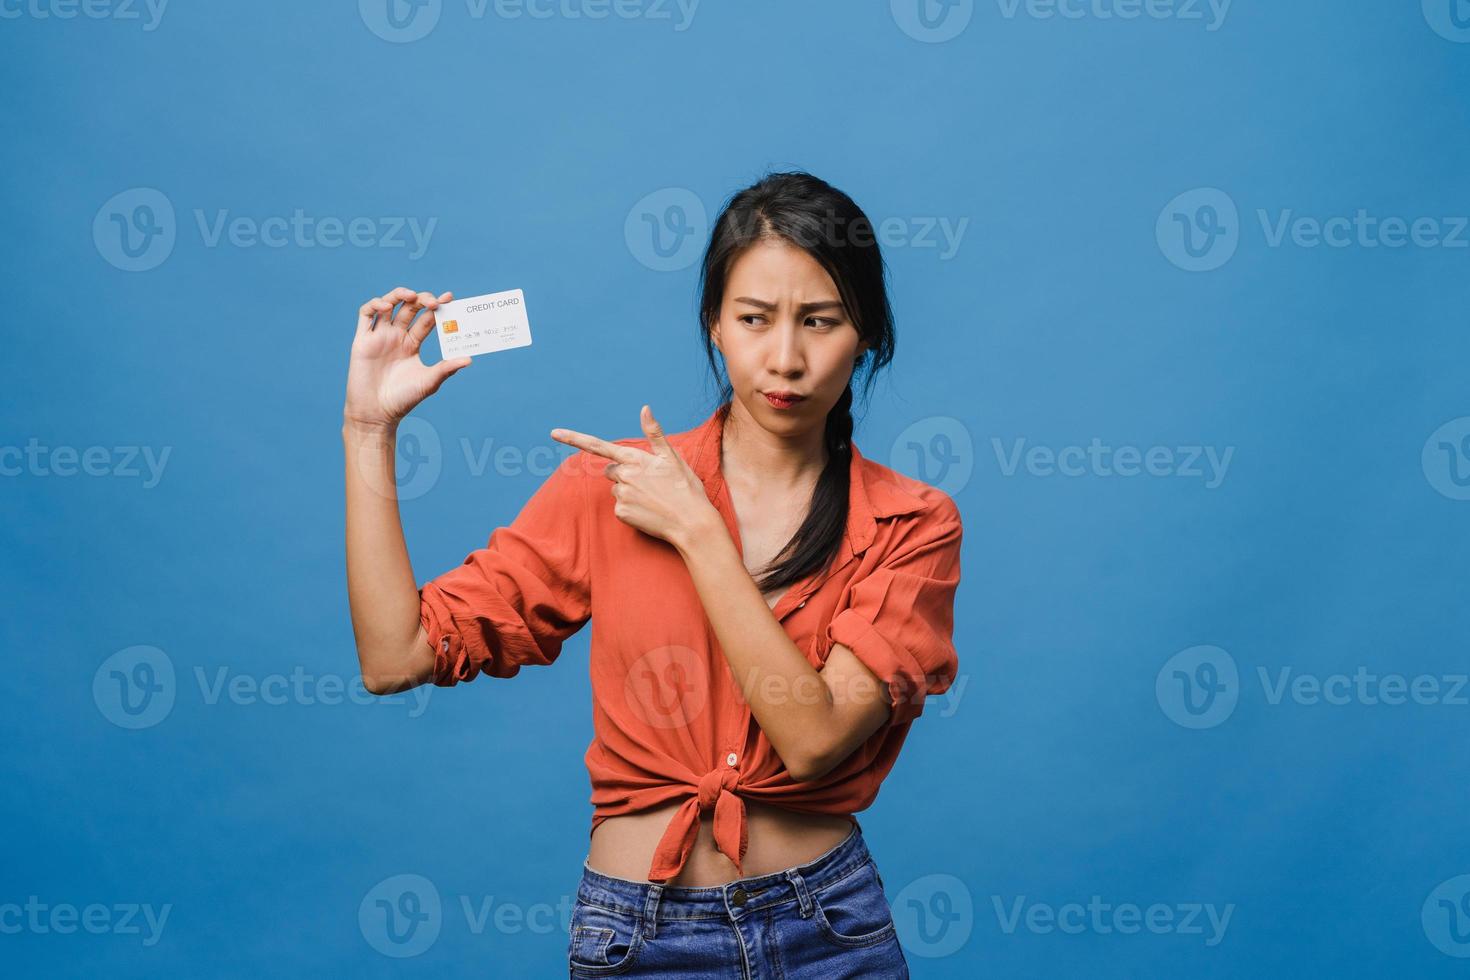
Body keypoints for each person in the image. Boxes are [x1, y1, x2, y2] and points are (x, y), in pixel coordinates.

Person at [341, 171, 963, 978]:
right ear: (714, 325)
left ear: (867, 334)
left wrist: (698, 531)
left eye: (821, 321)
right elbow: (396, 658)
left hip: (829, 931)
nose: (786, 357)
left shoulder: (912, 523)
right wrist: (368, 430)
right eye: (754, 318)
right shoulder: (611, 489)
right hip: (639, 938)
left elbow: (810, 739)